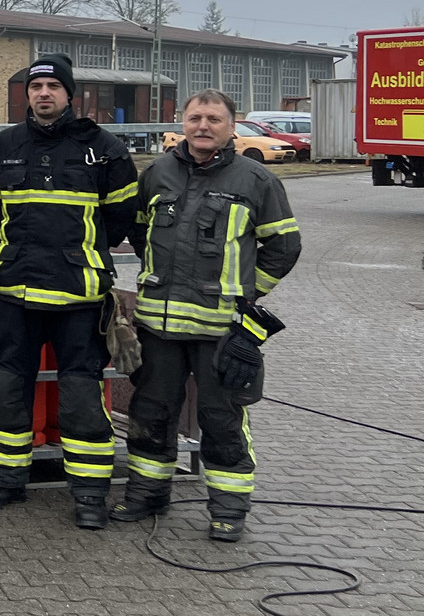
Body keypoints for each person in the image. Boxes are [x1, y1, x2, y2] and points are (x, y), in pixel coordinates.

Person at [113, 89, 300, 542]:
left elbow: (285, 247)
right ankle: (146, 494)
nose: (203, 126)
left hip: (221, 329)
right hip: (158, 325)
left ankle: (228, 508)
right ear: (182, 122)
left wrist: (247, 295)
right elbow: (139, 232)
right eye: (195, 117)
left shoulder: (257, 180)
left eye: (213, 119)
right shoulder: (157, 173)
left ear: (231, 126)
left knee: (221, 418)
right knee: (151, 412)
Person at [0, 54, 139, 527]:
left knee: (82, 398)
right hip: (16, 295)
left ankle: (88, 496)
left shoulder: (103, 148)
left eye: (53, 86)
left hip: (77, 297)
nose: (43, 93)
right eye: (36, 86)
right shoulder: (6, 146)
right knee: (7, 391)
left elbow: (122, 217)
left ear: (70, 94)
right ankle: (4, 482)